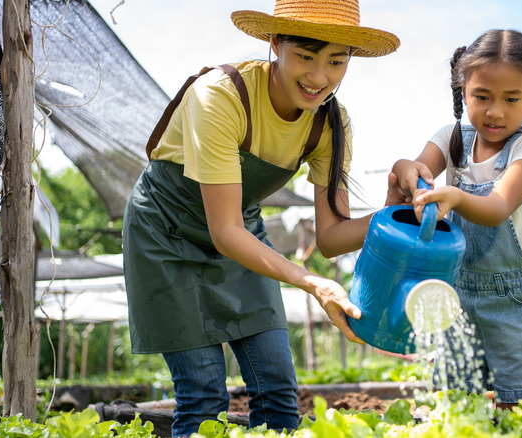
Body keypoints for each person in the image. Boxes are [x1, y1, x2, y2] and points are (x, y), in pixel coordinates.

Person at [121, 1, 400, 435]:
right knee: (203, 394)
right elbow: (224, 229)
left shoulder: (329, 122)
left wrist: (397, 213)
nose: (319, 77)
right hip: (166, 236)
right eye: (305, 56)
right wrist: (312, 282)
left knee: (277, 391)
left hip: (240, 237)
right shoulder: (220, 94)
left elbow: (331, 237)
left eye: (336, 61)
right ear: (276, 43)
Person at [391, 29, 522, 409]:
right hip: (459, 295)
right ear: (463, 88)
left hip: (520, 300)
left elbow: (497, 208)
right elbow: (417, 165)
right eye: (482, 97)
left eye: (511, 99)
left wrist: (454, 195)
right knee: (456, 402)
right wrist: (406, 170)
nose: (495, 111)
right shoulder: (453, 137)